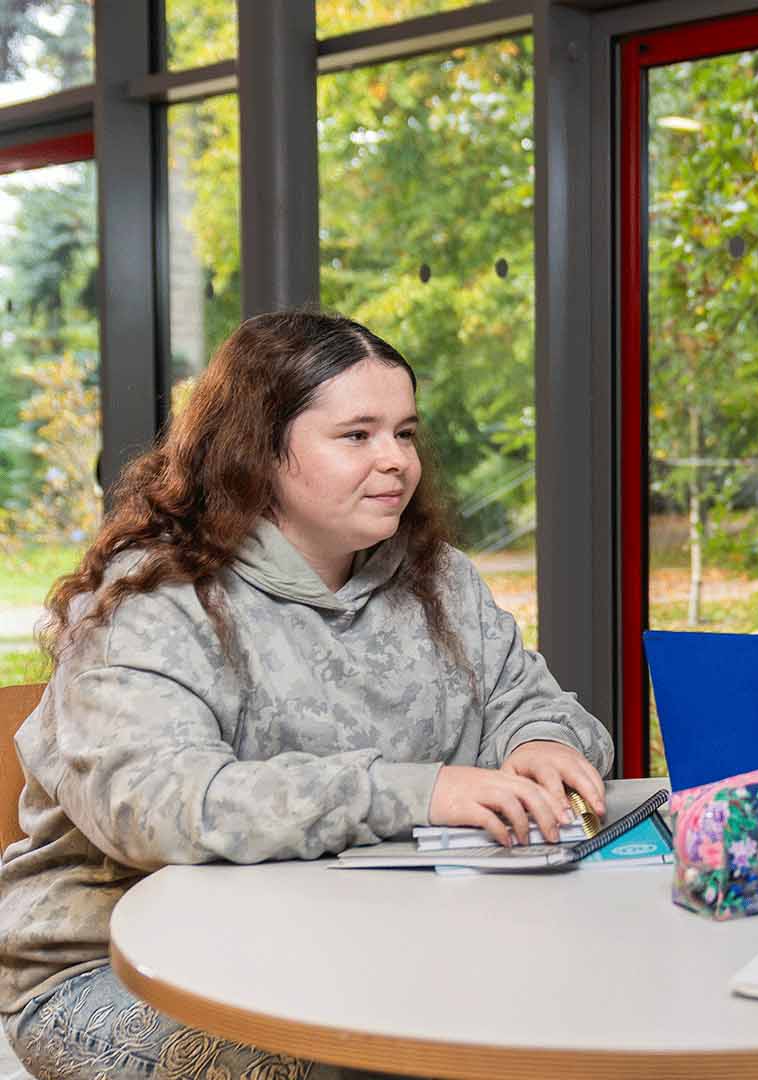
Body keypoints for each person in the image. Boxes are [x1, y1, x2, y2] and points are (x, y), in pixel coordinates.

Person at [0, 309, 614, 1079]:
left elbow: (528, 697)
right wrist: (420, 793)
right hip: (122, 968)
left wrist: (543, 744)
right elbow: (159, 809)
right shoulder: (151, 598)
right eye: (357, 436)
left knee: (567, 1029)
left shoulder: (437, 575)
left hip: (370, 942)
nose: (394, 461)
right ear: (257, 451)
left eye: (406, 433)